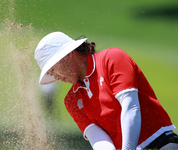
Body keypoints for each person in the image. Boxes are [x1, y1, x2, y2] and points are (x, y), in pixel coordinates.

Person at [34, 32, 178, 150]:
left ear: (68, 55)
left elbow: (131, 107)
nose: (55, 77)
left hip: (160, 143)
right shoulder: (71, 100)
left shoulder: (112, 58)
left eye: (52, 70)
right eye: (51, 74)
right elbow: (97, 137)